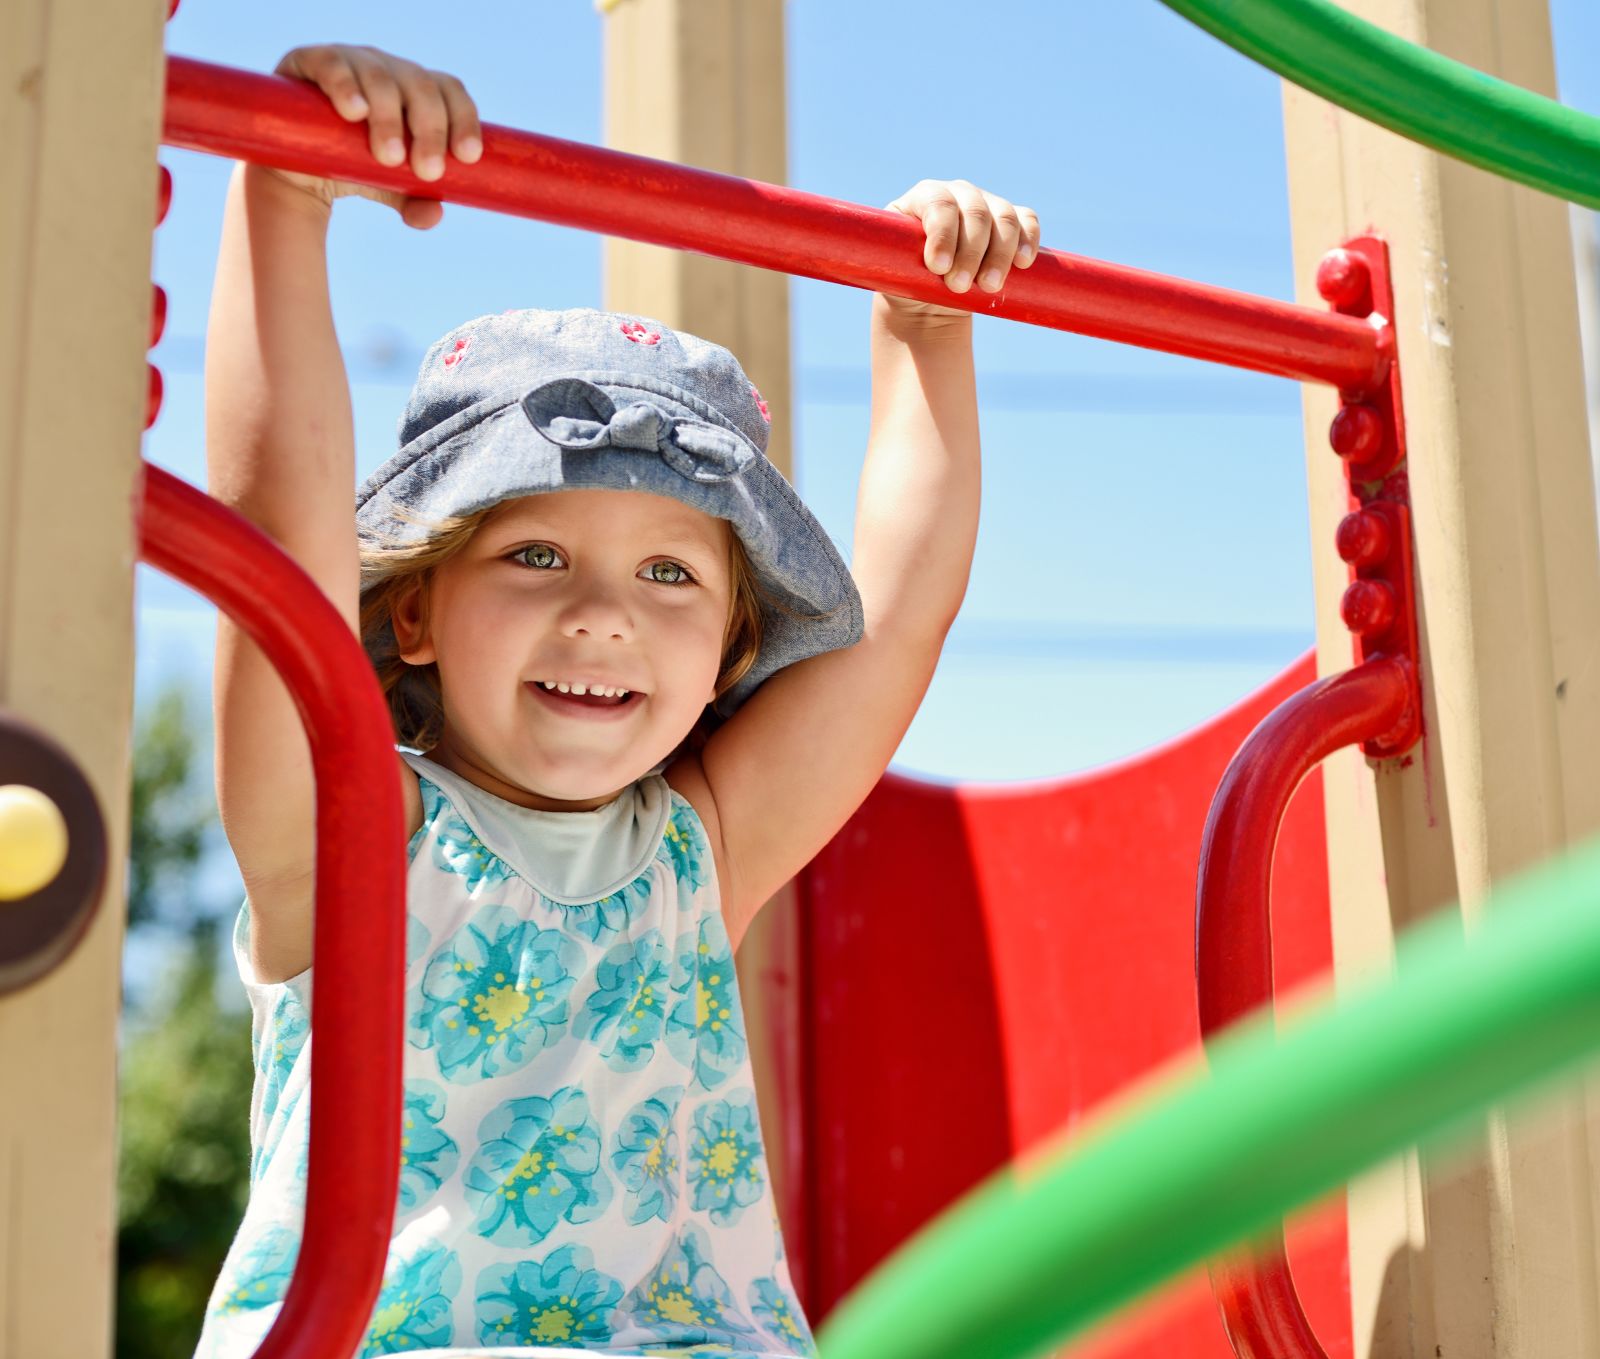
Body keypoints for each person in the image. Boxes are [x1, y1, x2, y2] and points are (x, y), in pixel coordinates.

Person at [195, 42, 1039, 1359]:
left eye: (669, 574)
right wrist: (281, 201)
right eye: (536, 556)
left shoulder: (701, 845)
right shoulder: (349, 824)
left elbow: (903, 612)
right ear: (410, 608)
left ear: (731, 647)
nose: (605, 615)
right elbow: (272, 541)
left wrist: (927, 328)